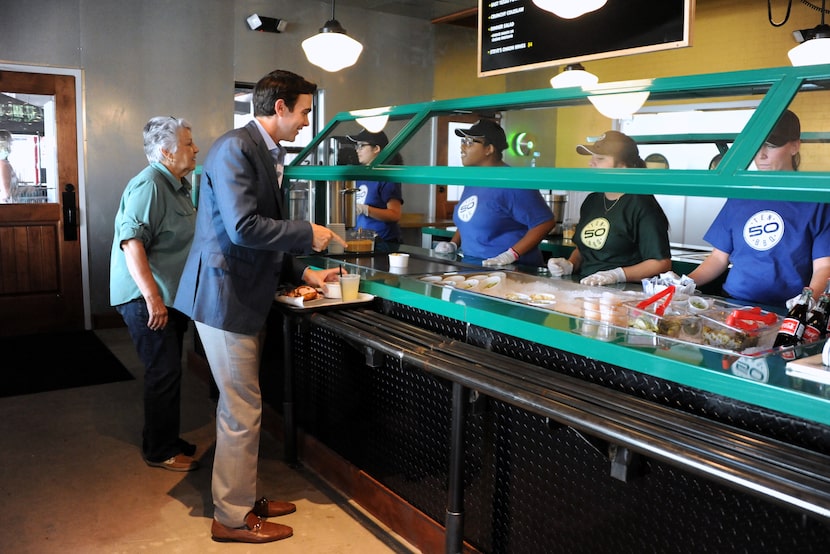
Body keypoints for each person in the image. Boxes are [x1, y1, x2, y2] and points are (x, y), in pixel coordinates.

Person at [173, 69, 346, 544]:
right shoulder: (235, 148)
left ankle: (242, 497)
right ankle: (231, 518)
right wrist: (307, 232)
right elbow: (244, 228)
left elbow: (257, 233)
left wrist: (302, 272)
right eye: (306, 111)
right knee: (242, 410)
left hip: (242, 291)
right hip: (225, 296)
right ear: (280, 107)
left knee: (242, 406)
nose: (308, 122)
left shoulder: (262, 151)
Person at [110, 116, 200, 473]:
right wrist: (153, 298)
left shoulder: (177, 184)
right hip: (145, 297)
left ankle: (168, 439)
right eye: (188, 143)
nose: (195, 149)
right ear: (166, 151)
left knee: (169, 370)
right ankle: (159, 450)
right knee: (162, 371)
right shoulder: (149, 186)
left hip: (166, 295)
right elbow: (132, 244)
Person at [688, 110, 830, 308]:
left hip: (783, 309)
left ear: (795, 146)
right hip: (732, 302)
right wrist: (686, 282)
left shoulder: (816, 201)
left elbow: (824, 266)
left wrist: (806, 302)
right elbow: (718, 257)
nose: (761, 155)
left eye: (771, 146)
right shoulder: (742, 194)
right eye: (756, 146)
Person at [548, 130, 672, 286]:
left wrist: (617, 275)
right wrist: (571, 264)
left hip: (624, 294)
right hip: (586, 287)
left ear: (622, 166)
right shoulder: (593, 200)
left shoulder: (641, 204)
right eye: (591, 158)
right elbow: (585, 248)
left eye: (599, 159)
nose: (591, 163)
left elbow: (661, 263)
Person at [433, 119, 555, 267]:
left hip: (511, 271)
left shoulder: (513, 182)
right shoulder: (475, 180)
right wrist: (453, 243)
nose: (462, 146)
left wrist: (511, 255)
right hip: (472, 265)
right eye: (463, 141)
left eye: (470, 142)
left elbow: (544, 222)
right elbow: (469, 217)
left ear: (489, 149)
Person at [345, 129, 404, 243]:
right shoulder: (361, 175)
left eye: (362, 146)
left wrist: (366, 209)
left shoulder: (386, 177)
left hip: (383, 241)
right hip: (361, 238)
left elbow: (395, 214)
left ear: (376, 149)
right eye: (357, 146)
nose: (357, 150)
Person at [0, 130, 19, 203]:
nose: (11, 146)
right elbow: (7, 192)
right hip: (7, 206)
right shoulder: (4, 165)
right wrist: (27, 189)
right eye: (10, 143)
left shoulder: (4, 164)